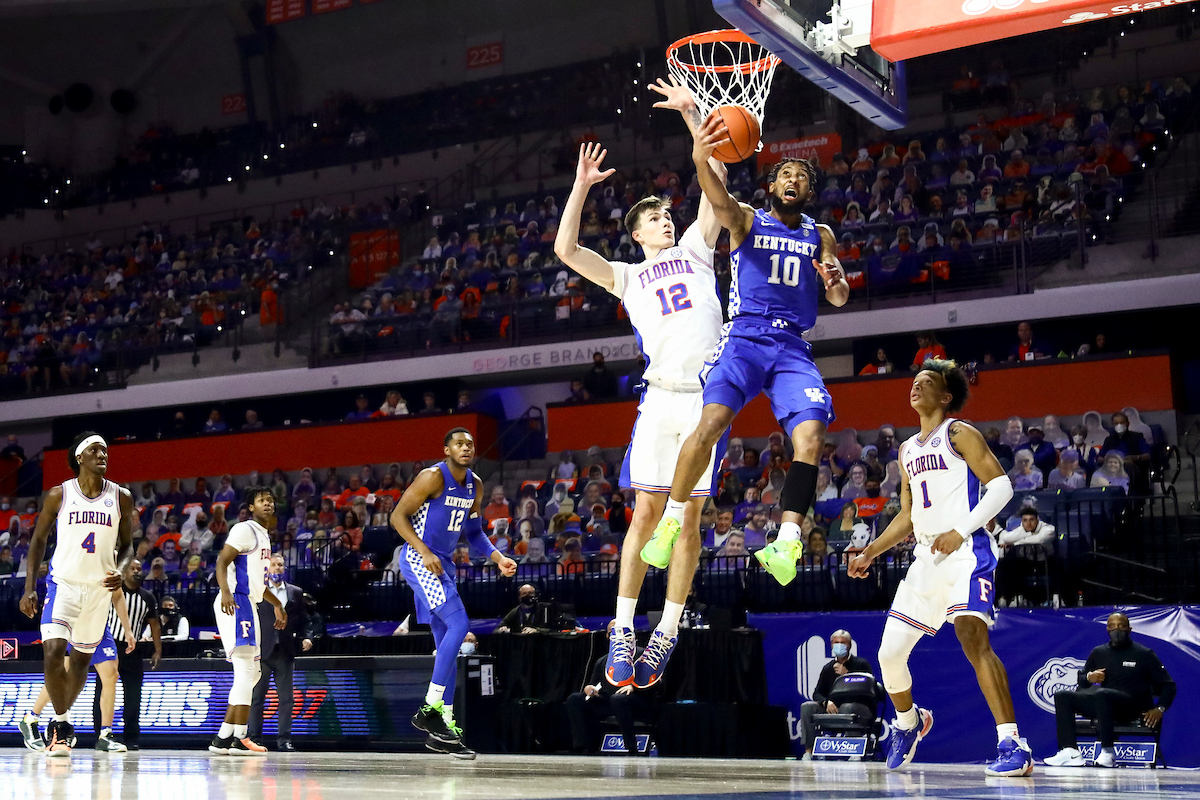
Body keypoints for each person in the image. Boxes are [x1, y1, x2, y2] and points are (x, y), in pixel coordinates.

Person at [555, 81, 729, 693]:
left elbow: (711, 179)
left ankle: (669, 629)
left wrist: (692, 116)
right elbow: (565, 248)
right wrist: (580, 187)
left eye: (666, 212)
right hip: (659, 398)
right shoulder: (627, 275)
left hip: (706, 403)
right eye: (655, 216)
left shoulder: (697, 249)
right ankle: (623, 628)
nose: (666, 217)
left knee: (690, 521)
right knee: (647, 514)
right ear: (638, 233)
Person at [645, 97, 849, 598]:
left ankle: (787, 540)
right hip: (746, 336)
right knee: (710, 424)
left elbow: (839, 297)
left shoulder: (820, 233)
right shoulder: (745, 219)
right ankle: (671, 521)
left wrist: (835, 277)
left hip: (792, 347)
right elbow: (710, 186)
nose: (794, 180)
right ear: (772, 184)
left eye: (803, 176)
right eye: (787, 174)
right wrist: (699, 140)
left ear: (808, 189)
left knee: (811, 436)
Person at [848, 360, 1031, 777]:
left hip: (967, 551)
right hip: (927, 559)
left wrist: (961, 529)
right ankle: (910, 723)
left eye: (926, 382)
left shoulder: (958, 433)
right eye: (913, 381)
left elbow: (1002, 487)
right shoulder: (908, 448)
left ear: (945, 397)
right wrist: (870, 552)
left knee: (971, 637)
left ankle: (1012, 743)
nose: (915, 386)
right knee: (888, 655)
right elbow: (907, 517)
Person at [390, 428, 517, 759]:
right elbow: (397, 517)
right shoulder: (431, 477)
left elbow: (474, 533)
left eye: (470, 443)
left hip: (442, 565)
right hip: (419, 558)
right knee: (460, 626)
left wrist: (498, 557)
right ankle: (430, 707)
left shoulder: (475, 485)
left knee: (446, 636)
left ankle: (443, 727)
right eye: (459, 443)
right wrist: (424, 551)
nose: (466, 448)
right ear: (446, 449)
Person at [19, 432, 135, 757]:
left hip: (100, 590)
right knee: (54, 651)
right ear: (80, 457)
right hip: (64, 585)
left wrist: (121, 569)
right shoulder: (60, 494)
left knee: (81, 661)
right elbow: (38, 540)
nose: (103, 455)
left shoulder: (121, 496)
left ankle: (58, 725)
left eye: (105, 450)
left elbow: (127, 547)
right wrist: (29, 587)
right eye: (95, 450)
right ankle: (62, 722)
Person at [209, 487, 286, 757]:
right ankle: (240, 737)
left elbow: (257, 583)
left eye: (270, 500)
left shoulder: (264, 536)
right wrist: (227, 592)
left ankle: (222, 738)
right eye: (262, 500)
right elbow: (221, 561)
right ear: (251, 507)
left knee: (254, 673)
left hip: (248, 602)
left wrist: (276, 604)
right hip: (236, 601)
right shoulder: (245, 529)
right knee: (244, 670)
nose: (268, 503)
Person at [1044, 613, 1175, 768]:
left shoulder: (1144, 654)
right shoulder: (1099, 652)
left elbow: (1169, 685)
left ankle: (1108, 751)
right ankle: (1070, 751)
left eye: (1121, 626)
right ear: (1107, 629)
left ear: (1129, 629)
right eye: (1112, 626)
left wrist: (1159, 708)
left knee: (1102, 694)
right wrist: (1089, 678)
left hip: (1132, 707)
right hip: (1104, 705)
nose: (1116, 630)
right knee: (1062, 696)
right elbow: (1082, 683)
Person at [19, 595, 137, 753]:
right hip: (72, 616)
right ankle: (32, 718)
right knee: (64, 673)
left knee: (111, 674)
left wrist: (127, 630)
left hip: (97, 620)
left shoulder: (107, 572)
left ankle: (106, 735)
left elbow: (117, 593)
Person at [95, 559, 161, 751]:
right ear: (123, 573)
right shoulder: (112, 590)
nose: (136, 571)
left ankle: (131, 738)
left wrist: (158, 650)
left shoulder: (147, 597)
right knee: (102, 692)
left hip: (133, 649)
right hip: (110, 645)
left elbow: (154, 624)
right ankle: (100, 735)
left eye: (139, 568)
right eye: (132, 568)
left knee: (133, 697)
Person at [248, 555, 313, 752]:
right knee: (257, 698)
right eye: (273, 565)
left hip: (285, 651)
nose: (277, 568)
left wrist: (308, 637)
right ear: (266, 569)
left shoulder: (295, 592)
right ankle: (255, 738)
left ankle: (284, 740)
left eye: (280, 565)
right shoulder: (258, 591)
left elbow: (306, 619)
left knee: (286, 699)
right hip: (262, 651)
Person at [565, 621, 655, 755]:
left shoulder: (643, 656)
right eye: (613, 633)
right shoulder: (603, 660)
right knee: (575, 699)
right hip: (609, 701)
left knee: (618, 699)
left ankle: (631, 748)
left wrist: (634, 686)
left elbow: (659, 684)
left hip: (637, 701)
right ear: (608, 637)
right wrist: (590, 689)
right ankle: (582, 747)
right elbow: (594, 684)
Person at [798, 629, 875, 759]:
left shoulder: (861, 664)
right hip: (833, 709)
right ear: (831, 645)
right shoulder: (828, 668)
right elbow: (817, 693)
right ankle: (809, 752)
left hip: (859, 709)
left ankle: (853, 752)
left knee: (847, 707)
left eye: (843, 643)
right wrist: (826, 702)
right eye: (836, 642)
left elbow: (866, 692)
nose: (839, 645)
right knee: (807, 707)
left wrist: (847, 675)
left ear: (849, 645)